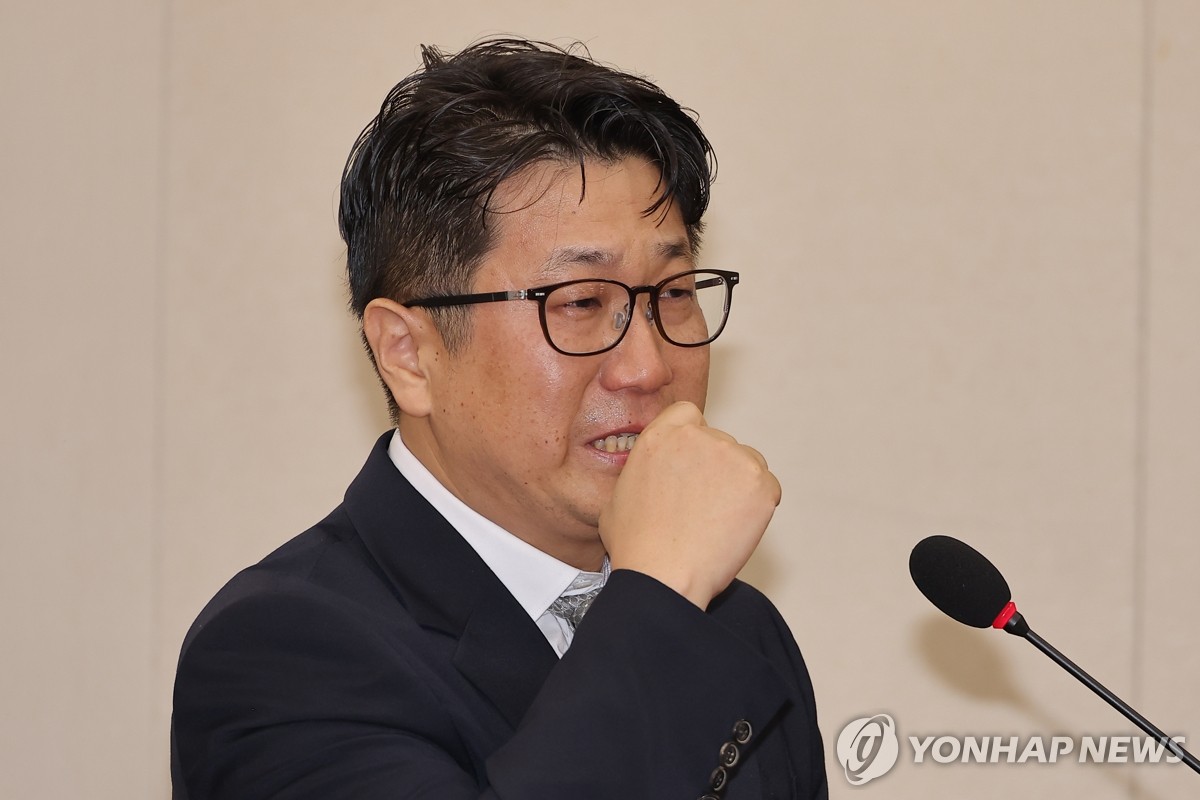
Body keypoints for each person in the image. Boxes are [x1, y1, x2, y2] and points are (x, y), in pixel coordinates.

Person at [171, 38, 828, 800]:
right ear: (408, 354)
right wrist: (660, 599)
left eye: (674, 293)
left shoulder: (733, 629)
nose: (648, 367)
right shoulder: (281, 653)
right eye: (581, 303)